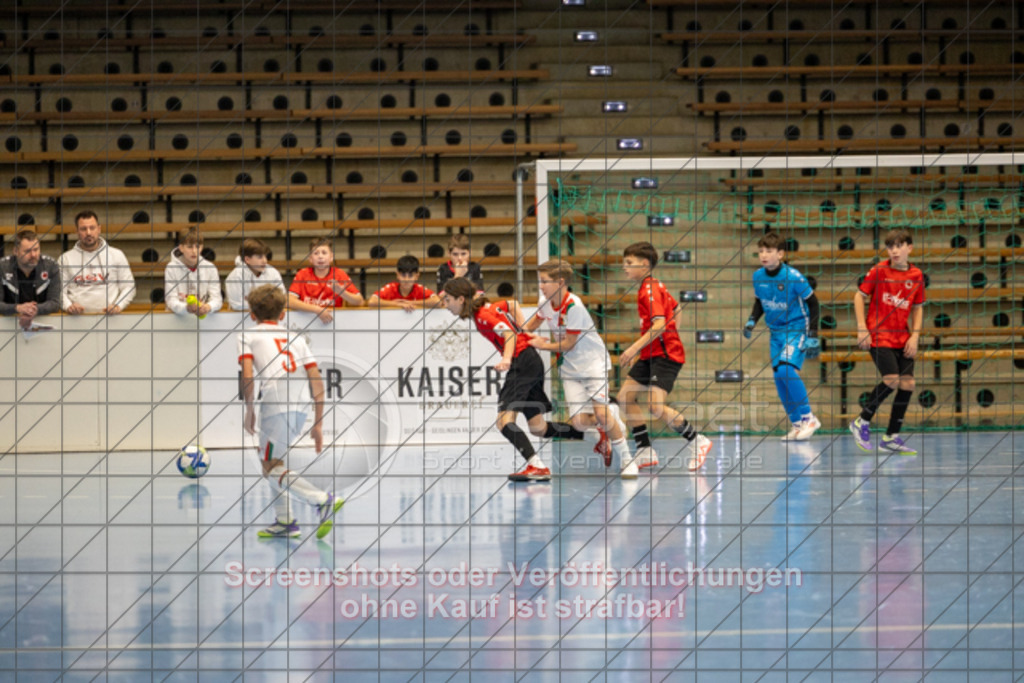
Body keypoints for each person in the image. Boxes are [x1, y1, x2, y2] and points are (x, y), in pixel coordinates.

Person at [441, 277, 585, 482]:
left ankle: (537, 466)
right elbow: (513, 304)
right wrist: (524, 330)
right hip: (531, 361)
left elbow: (509, 334)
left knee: (504, 422)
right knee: (539, 428)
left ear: (461, 299)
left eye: (448, 300)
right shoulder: (486, 307)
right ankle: (589, 434)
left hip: (522, 362)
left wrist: (507, 358)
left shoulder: (482, 316)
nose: (446, 305)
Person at [239, 285, 343, 538]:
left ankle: (321, 499)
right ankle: (285, 522)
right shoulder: (296, 338)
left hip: (275, 403)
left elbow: (248, 376)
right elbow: (316, 380)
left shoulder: (247, 335)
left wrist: (250, 410)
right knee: (276, 462)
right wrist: (318, 423)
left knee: (269, 467)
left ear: (252, 314)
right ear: (283, 314)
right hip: (301, 404)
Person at [524, 259, 635, 478]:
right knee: (579, 423)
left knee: (601, 414)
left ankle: (627, 459)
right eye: (540, 281)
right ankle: (608, 419)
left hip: (592, 364)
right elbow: (531, 325)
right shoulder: (544, 302)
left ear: (560, 282)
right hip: (570, 368)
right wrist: (515, 334)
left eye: (544, 281)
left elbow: (568, 344)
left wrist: (541, 345)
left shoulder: (573, 306)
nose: (540, 286)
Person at [616, 241, 712, 472]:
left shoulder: (649, 289)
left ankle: (697, 440)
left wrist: (634, 348)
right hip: (651, 353)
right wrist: (668, 335)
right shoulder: (653, 285)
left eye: (629, 263)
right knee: (625, 396)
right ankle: (644, 449)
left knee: (655, 406)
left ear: (644, 265)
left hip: (665, 355)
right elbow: (676, 309)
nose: (624, 267)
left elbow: (659, 324)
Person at [849, 229, 925, 455]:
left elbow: (918, 308)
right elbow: (859, 296)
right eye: (890, 247)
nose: (894, 251)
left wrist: (915, 336)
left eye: (899, 246)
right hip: (879, 335)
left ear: (909, 248)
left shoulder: (916, 275)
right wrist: (862, 327)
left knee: (908, 384)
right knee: (892, 379)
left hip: (902, 337)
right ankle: (861, 421)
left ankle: (891, 437)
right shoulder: (879, 271)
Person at [742, 232, 822, 441]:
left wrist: (813, 333)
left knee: (786, 370)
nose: (763, 255)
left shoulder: (793, 277)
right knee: (779, 377)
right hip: (775, 332)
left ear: (780, 254)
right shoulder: (758, 276)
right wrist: (752, 320)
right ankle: (797, 424)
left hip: (796, 328)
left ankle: (809, 418)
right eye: (761, 251)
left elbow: (813, 303)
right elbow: (760, 301)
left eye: (768, 251)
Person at [59, 210, 136, 315]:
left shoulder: (117, 255)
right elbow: (59, 291)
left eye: (92, 228)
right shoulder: (65, 259)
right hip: (77, 319)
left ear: (99, 229)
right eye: (83, 229)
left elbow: (129, 287)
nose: (88, 233)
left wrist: (118, 305)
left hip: (110, 318)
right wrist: (68, 306)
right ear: (77, 231)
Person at [288, 237, 364, 324]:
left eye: (324, 253)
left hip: (333, 322)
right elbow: (289, 301)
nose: (320, 256)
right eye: (316, 253)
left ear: (331, 257)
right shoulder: (302, 274)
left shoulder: (340, 275)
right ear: (310, 259)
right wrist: (317, 310)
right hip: (306, 322)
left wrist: (341, 292)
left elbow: (360, 301)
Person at [0, 229, 60, 330]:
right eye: (27, 251)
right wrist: (17, 308)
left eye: (36, 249)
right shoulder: (2, 267)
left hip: (43, 326)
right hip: (7, 327)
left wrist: (34, 310)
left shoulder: (51, 266)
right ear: (16, 251)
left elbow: (55, 303)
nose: (33, 255)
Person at [164, 227, 222, 317]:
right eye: (190, 247)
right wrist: (186, 308)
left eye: (197, 247)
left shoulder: (210, 268)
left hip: (203, 320)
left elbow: (217, 299)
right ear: (181, 248)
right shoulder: (171, 268)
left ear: (202, 247)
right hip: (177, 320)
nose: (194, 251)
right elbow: (171, 300)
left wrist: (208, 307)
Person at [225, 238, 285, 311]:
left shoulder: (273, 272)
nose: (265, 261)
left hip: (269, 314)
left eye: (265, 256)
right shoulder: (235, 276)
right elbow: (236, 304)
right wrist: (265, 304)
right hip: (240, 316)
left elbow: (282, 298)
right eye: (260, 257)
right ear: (247, 259)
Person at [366, 255, 440, 312]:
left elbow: (437, 302)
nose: (406, 280)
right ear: (397, 275)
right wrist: (397, 304)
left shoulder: (419, 289)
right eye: (403, 275)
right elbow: (372, 302)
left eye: (410, 276)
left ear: (417, 276)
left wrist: (411, 302)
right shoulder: (391, 288)